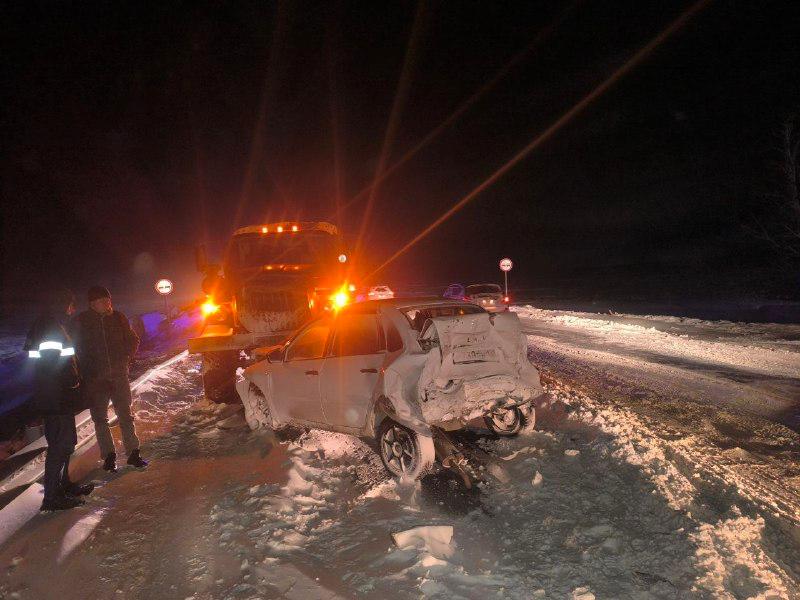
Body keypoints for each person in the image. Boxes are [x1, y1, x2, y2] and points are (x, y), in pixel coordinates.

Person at [24, 288, 94, 511]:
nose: (73, 310)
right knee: (60, 445)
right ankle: (52, 497)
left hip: (56, 396)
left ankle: (63, 485)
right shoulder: (50, 327)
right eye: (71, 305)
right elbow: (53, 365)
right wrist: (73, 380)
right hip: (56, 398)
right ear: (63, 305)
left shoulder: (50, 324)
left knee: (65, 443)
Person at [72, 286, 148, 471]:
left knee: (125, 415)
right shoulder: (82, 321)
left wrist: (126, 357)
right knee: (100, 419)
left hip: (118, 376)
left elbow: (133, 339)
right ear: (92, 303)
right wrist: (86, 370)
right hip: (95, 380)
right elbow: (77, 348)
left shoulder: (118, 317)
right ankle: (109, 456)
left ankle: (133, 453)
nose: (107, 303)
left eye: (108, 300)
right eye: (103, 300)